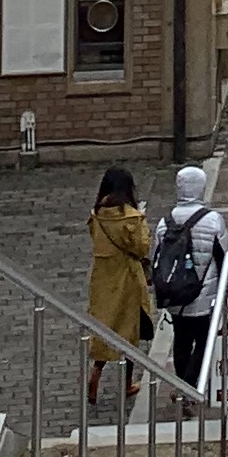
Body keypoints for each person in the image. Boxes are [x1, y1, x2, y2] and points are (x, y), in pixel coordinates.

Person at [152, 164, 228, 393]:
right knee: (205, 341)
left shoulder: (164, 222)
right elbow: (224, 257)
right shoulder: (213, 220)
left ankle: (182, 385)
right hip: (204, 296)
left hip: (175, 296)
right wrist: (225, 292)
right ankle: (189, 386)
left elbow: (157, 258)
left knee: (181, 340)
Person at [86, 166, 153, 407]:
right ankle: (126, 384)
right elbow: (141, 248)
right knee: (129, 332)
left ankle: (95, 375)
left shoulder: (96, 215)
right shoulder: (132, 218)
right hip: (127, 279)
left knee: (105, 329)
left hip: (102, 280)